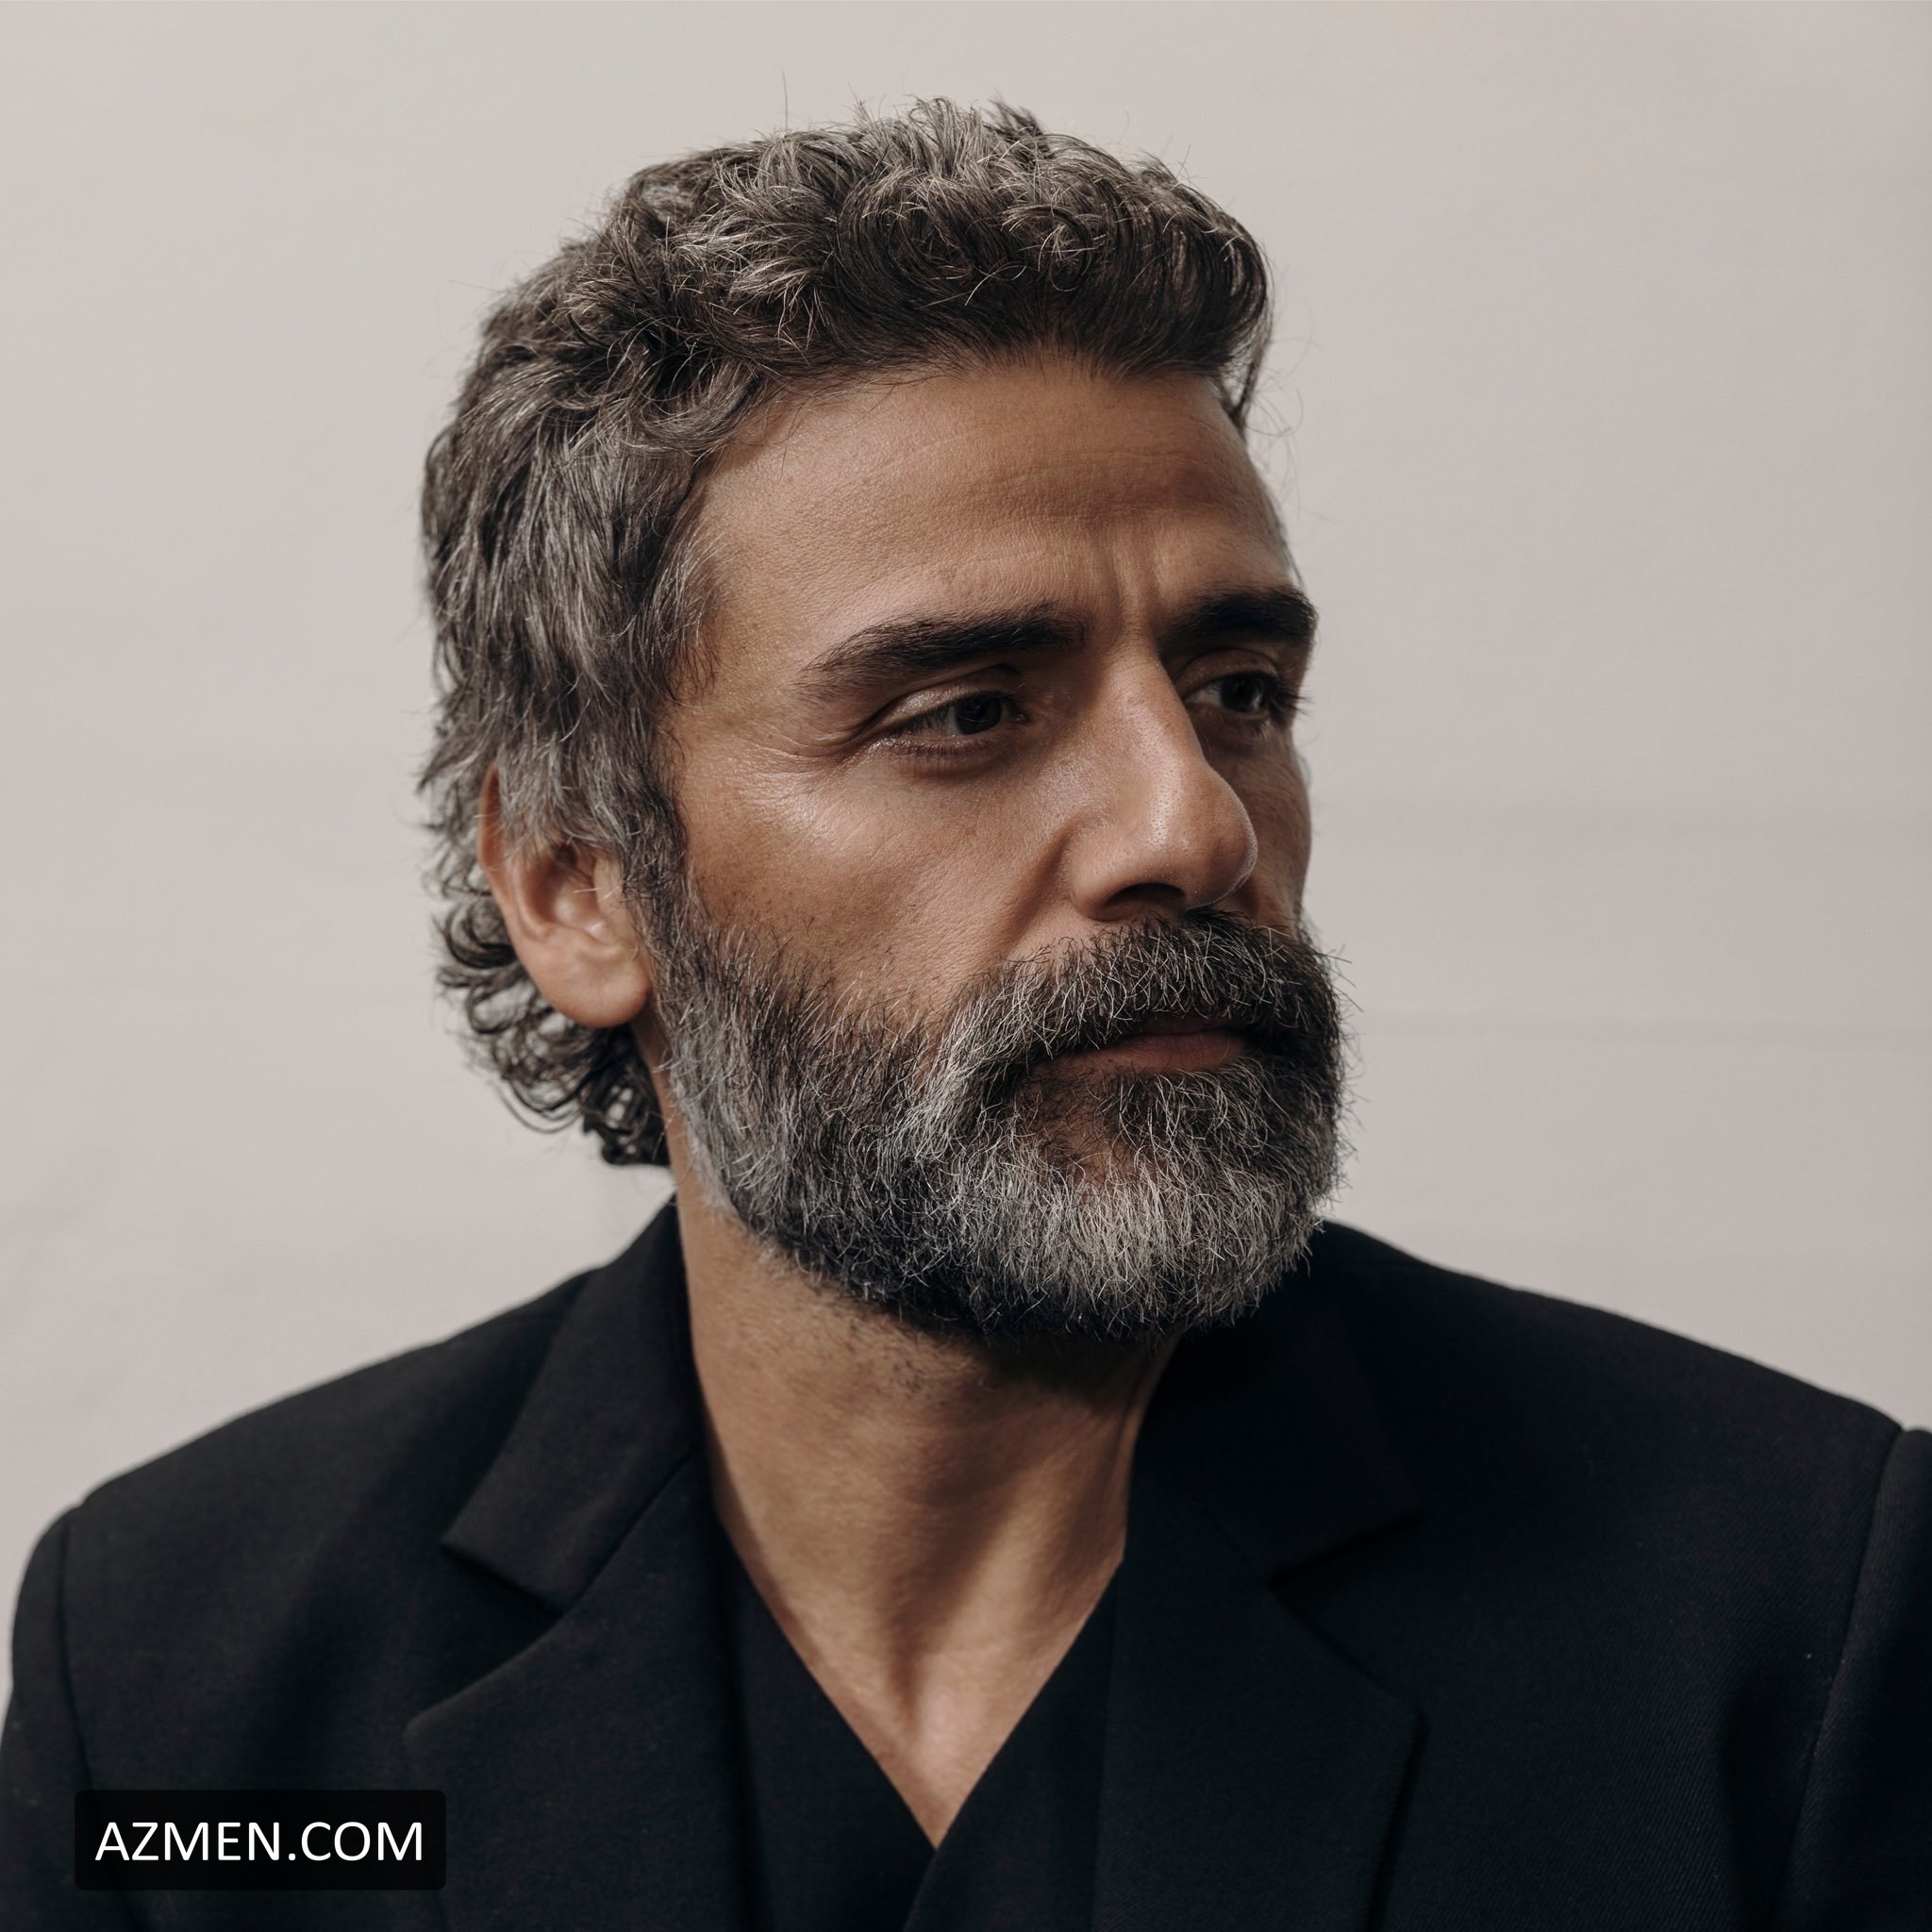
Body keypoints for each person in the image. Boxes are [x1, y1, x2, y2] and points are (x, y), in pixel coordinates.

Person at [3, 99, 1924, 1931]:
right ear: (579, 883)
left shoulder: (1781, 1617)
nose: (1192, 825)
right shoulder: (191, 1667)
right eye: (967, 714)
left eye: (1240, 692)